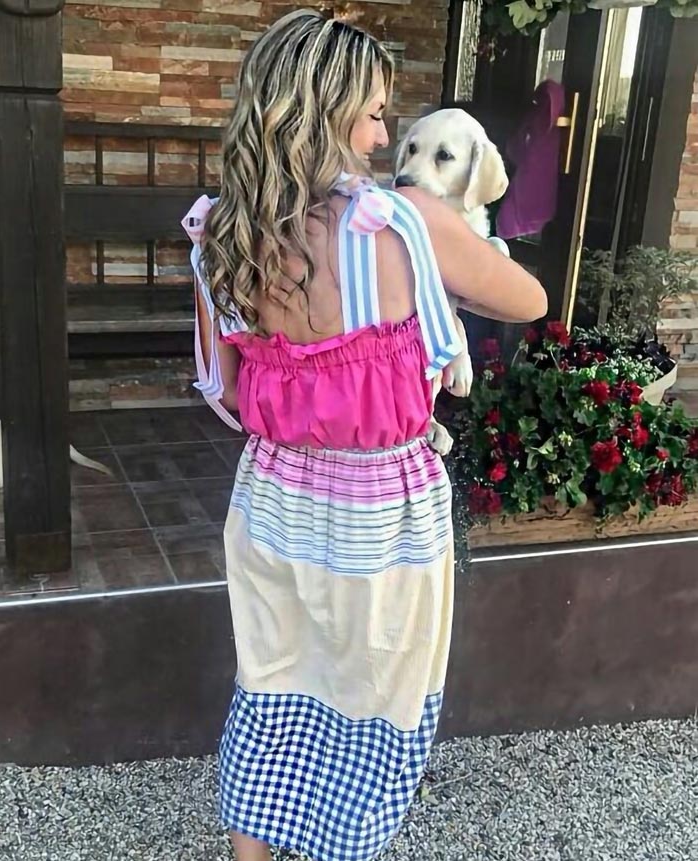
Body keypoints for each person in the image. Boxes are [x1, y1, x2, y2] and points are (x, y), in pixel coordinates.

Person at [182, 11, 547, 861]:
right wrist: (446, 264)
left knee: (272, 680)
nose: (386, 138)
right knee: (374, 693)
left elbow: (226, 390)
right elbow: (527, 299)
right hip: (381, 510)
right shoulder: (404, 222)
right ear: (329, 110)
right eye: (377, 114)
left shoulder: (224, 233)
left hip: (271, 497)